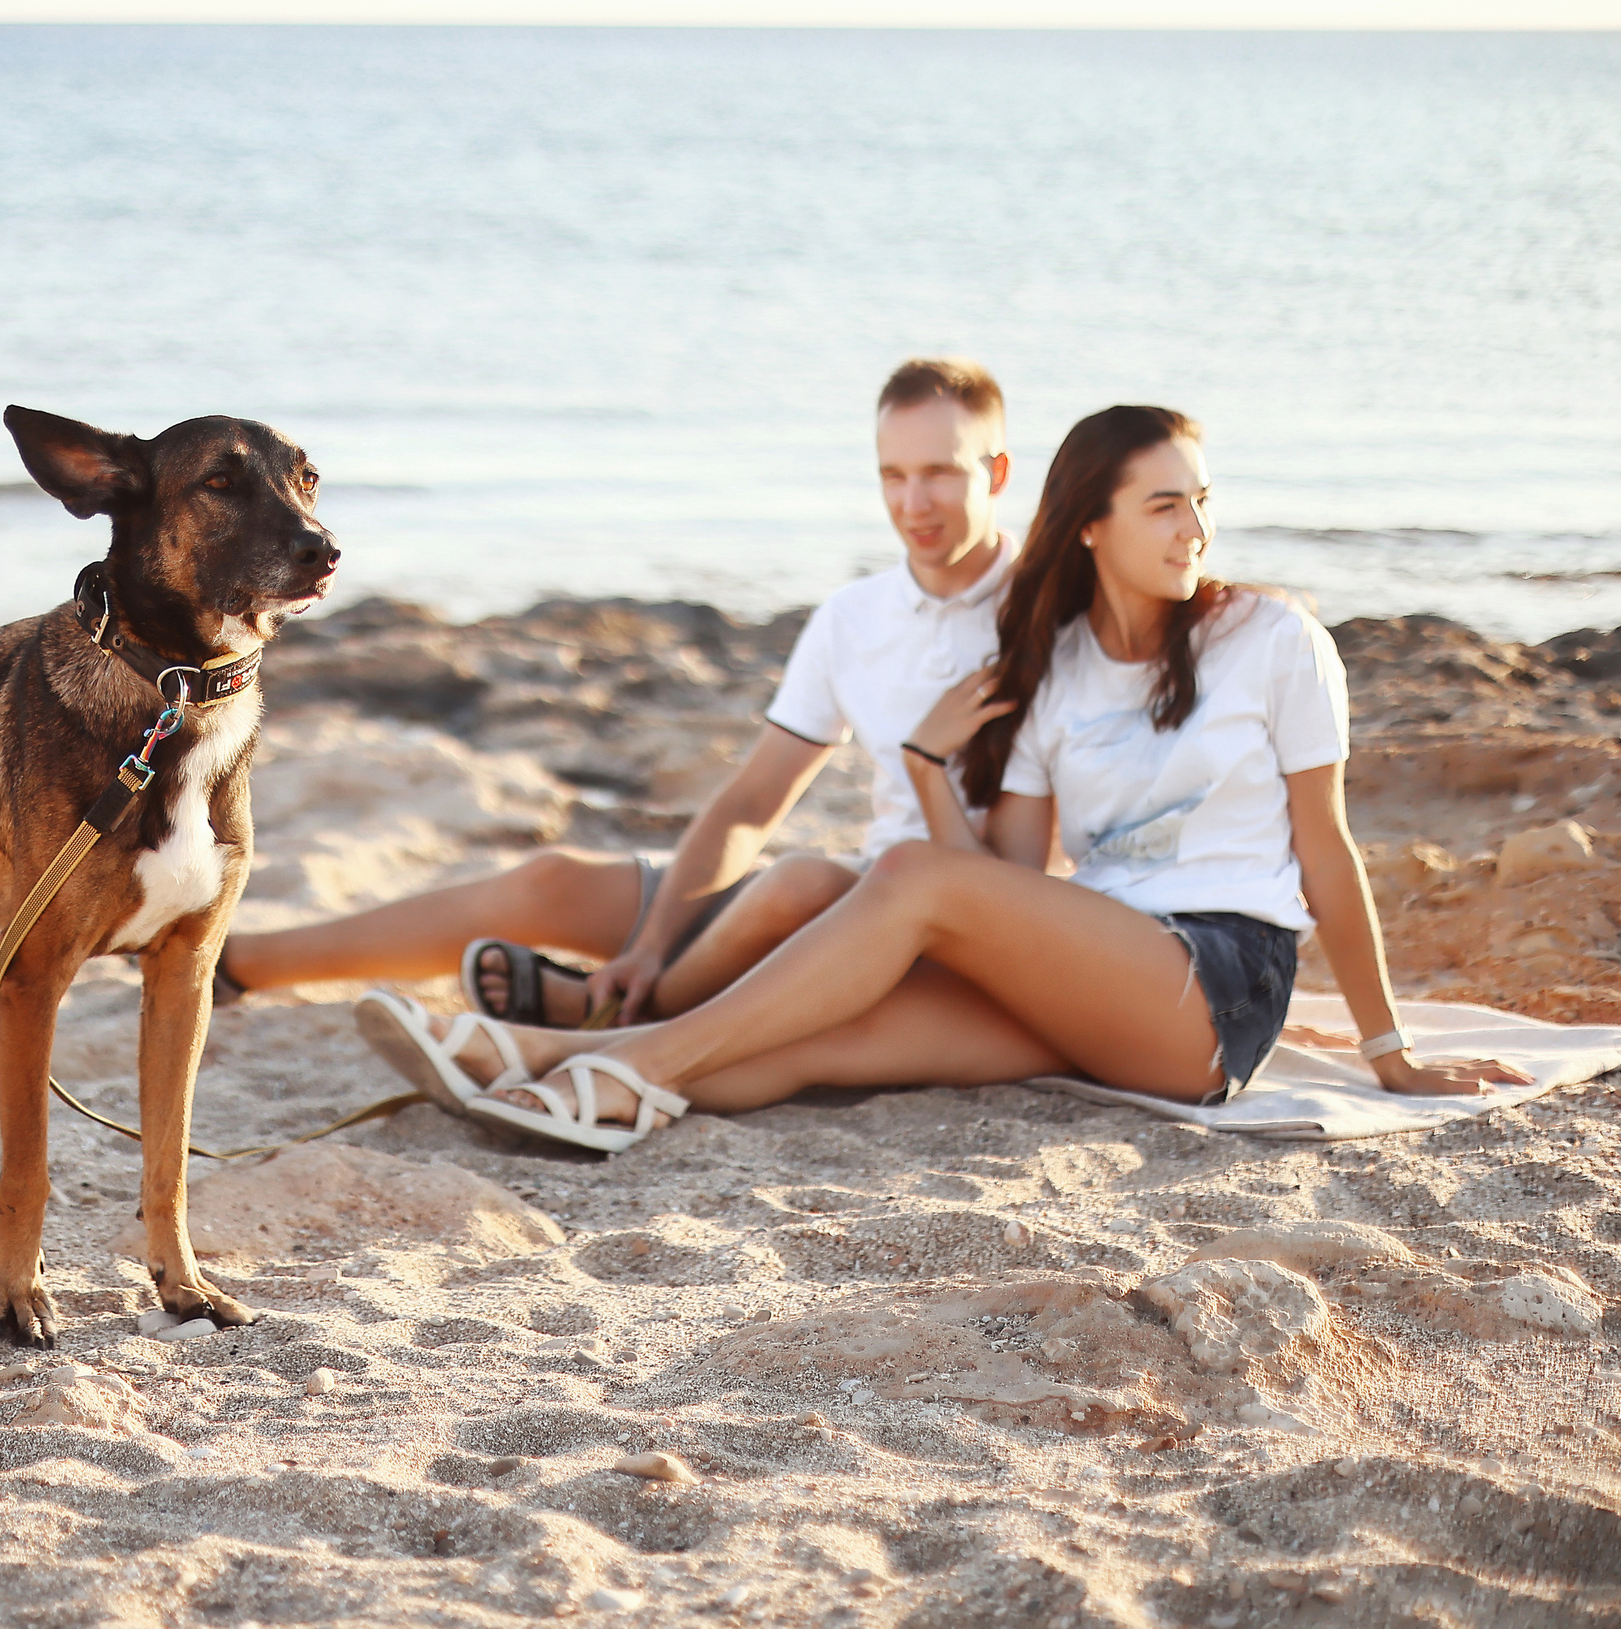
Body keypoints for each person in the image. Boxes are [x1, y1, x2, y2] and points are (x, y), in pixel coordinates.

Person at [357, 404, 1530, 1150]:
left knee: (901, 886)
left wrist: (1391, 1053)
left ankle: (626, 1065)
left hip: (1210, 989)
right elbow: (1002, 887)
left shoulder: (1274, 640)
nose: (1194, 529)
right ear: (1088, 525)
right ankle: (543, 1065)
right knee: (823, 1043)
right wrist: (925, 766)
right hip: (1091, 967)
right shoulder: (1048, 673)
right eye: (1165, 505)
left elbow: (1325, 851)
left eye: (1201, 503)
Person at [216, 358, 1019, 1030]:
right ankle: (231, 965)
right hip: (851, 891)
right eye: (894, 475)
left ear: (998, 473)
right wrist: (651, 941)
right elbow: (750, 804)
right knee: (553, 882)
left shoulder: (1051, 614)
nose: (913, 503)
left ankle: (617, 1016)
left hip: (959, 924)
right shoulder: (855, 616)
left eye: (941, 473)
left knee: (801, 883)